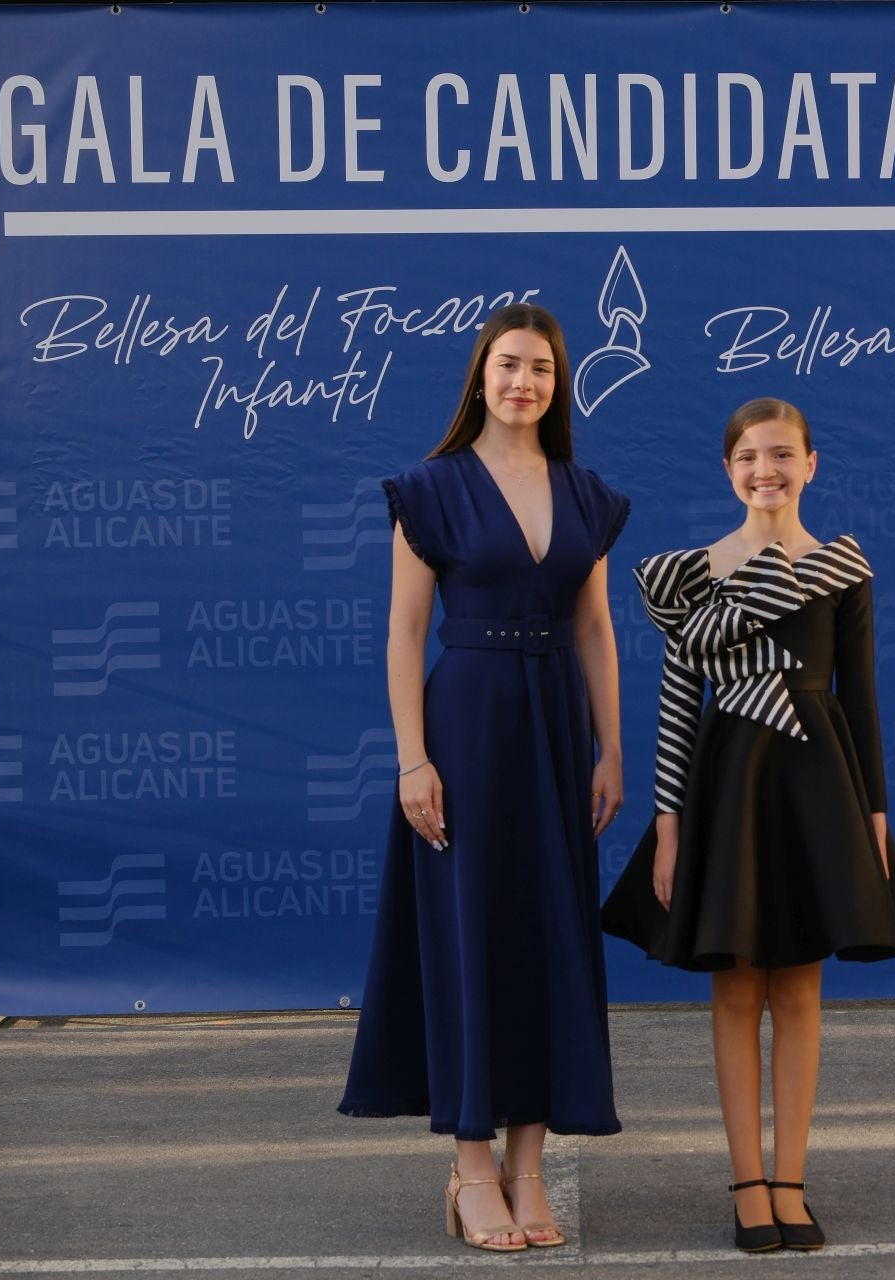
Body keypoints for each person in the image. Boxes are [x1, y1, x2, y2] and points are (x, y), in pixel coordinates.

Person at [601, 396, 895, 1253]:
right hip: (727, 790)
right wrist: (668, 826)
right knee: (736, 984)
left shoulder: (844, 568)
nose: (767, 471)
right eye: (750, 457)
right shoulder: (691, 575)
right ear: (728, 470)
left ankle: (792, 1180)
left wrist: (874, 817)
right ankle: (747, 1183)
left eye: (783, 456)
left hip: (817, 791)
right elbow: (680, 707)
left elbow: (861, 703)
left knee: (799, 989)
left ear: (811, 465)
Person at [338, 303, 630, 1253]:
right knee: (470, 938)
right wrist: (412, 759)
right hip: (463, 728)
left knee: (546, 939)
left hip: (553, 731)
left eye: (541, 369)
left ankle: (528, 1165)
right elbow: (404, 631)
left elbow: (594, 628)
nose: (523, 383)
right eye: (508, 365)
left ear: (559, 383)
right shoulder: (430, 487)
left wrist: (613, 750)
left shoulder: (585, 492)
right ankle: (470, 1170)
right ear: (480, 376)